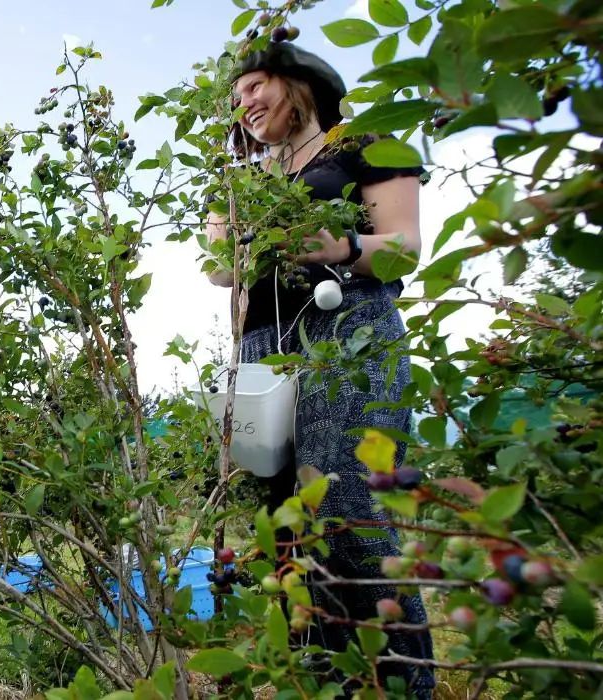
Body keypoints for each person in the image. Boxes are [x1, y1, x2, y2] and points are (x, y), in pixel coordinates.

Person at [202, 42, 437, 698]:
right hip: (262, 346)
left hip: (349, 330)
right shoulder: (245, 176)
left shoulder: (361, 143)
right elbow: (220, 268)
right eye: (236, 95)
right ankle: (319, 679)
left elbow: (408, 250)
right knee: (283, 519)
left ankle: (404, 684)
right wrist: (234, 221)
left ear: (297, 82)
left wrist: (343, 245)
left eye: (255, 86)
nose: (243, 102)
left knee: (345, 504)